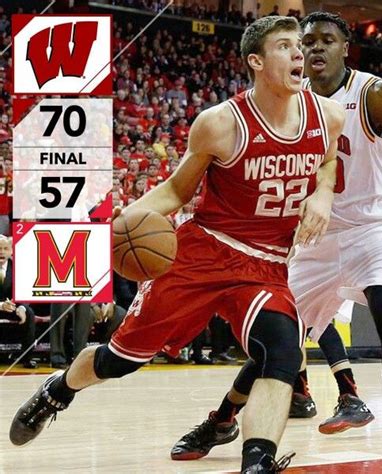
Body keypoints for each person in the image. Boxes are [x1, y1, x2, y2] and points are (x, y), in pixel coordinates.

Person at [10, 16, 345, 473]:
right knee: (118, 361)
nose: (298, 54)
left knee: (284, 351)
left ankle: (258, 464)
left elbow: (326, 162)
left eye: (297, 46)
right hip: (203, 252)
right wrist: (123, 220)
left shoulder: (327, 115)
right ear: (256, 61)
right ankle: (59, 390)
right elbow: (176, 191)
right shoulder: (221, 124)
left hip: (266, 265)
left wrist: (323, 193)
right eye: (285, 47)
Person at [173, 12, 382, 474]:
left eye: (326, 40)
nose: (313, 48)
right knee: (277, 342)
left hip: (376, 228)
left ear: (344, 48)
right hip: (315, 235)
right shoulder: (292, 100)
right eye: (306, 40)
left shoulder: (373, 94)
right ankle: (222, 420)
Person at [0, 235, 37, 368]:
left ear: (11, 251)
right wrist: (1, 305)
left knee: (29, 312)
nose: (1, 252)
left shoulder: (18, 267)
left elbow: (24, 291)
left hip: (12, 307)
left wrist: (21, 307)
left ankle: (27, 357)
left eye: (5, 248)